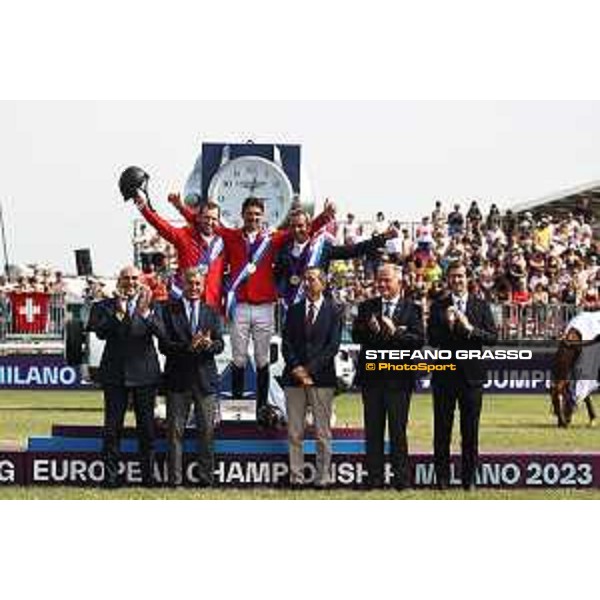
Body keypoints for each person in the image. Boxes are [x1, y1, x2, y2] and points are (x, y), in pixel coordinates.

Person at [216, 197, 334, 424]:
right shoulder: (231, 236)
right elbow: (206, 224)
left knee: (262, 359)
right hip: (240, 305)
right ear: (243, 214)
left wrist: (325, 216)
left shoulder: (272, 239)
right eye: (250, 214)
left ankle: (261, 409)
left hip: (265, 306)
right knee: (238, 358)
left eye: (257, 215)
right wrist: (182, 208)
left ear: (263, 217)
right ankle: (239, 410)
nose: (253, 218)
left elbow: (300, 231)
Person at [87, 265, 161, 488]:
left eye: (134, 278)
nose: (130, 282)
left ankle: (148, 478)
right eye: (126, 278)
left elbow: (162, 331)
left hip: (145, 374)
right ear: (119, 281)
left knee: (147, 429)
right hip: (115, 375)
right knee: (112, 429)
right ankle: (110, 478)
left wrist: (145, 312)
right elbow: (99, 331)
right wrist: (118, 314)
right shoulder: (103, 306)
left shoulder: (153, 305)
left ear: (141, 280)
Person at [352, 264, 425, 490]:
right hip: (372, 379)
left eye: (387, 280)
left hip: (399, 381)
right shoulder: (367, 307)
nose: (382, 284)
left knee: (397, 431)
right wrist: (370, 329)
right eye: (379, 280)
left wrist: (396, 332)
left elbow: (418, 341)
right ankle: (374, 479)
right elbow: (356, 335)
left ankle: (401, 480)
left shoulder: (412, 309)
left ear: (399, 283)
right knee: (373, 431)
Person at [427, 261, 498, 491]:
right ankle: (442, 479)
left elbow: (492, 338)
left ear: (468, 279)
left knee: (470, 432)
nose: (457, 280)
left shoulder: (480, 305)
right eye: (453, 276)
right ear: (448, 279)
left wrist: (469, 330)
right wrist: (448, 326)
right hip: (444, 377)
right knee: (442, 431)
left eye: (461, 276)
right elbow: (432, 339)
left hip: (472, 378)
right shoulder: (438, 306)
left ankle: (469, 479)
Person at [155, 268, 224, 487]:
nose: (194, 287)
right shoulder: (168, 311)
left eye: (197, 284)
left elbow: (220, 344)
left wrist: (208, 345)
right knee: (175, 433)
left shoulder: (211, 312)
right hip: (178, 380)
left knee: (207, 432)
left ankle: (206, 479)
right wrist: (189, 346)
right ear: (182, 284)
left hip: (205, 380)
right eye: (190, 283)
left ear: (202, 286)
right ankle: (174, 480)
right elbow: (164, 346)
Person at [281, 267, 342, 488]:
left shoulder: (335, 311)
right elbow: (286, 344)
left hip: (322, 380)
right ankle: (296, 477)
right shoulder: (294, 310)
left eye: (313, 279)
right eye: (306, 279)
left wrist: (310, 370)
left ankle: (323, 476)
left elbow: (332, 346)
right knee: (295, 432)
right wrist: (297, 368)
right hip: (294, 380)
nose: (308, 283)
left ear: (323, 283)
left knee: (322, 432)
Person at [275, 209, 398, 309]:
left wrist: (383, 238)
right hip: (292, 308)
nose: (297, 230)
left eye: (300, 226)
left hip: (319, 308)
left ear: (308, 227)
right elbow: (277, 277)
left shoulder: (321, 248)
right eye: (293, 226)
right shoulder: (284, 251)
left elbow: (354, 250)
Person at [134, 193, 225, 310]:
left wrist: (181, 207)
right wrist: (143, 207)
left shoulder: (224, 241)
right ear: (198, 218)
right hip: (182, 302)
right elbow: (161, 226)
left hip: (211, 305)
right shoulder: (184, 236)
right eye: (206, 218)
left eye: (214, 219)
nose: (210, 222)